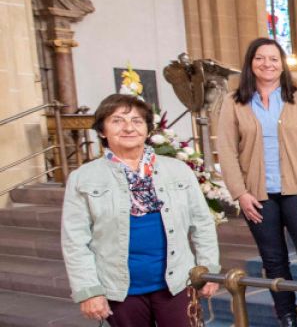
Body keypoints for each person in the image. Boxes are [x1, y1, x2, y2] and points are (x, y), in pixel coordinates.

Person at [61, 94, 220, 326]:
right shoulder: (83, 178)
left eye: (137, 121)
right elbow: (74, 240)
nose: (128, 127)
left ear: (147, 129)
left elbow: (202, 223)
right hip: (121, 289)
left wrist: (208, 270)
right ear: (103, 131)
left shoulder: (177, 170)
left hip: (176, 284)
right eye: (117, 121)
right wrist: (89, 290)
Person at [217, 38, 297, 326]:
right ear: (250, 64)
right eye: (260, 58)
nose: (267, 64)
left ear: (282, 64)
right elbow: (227, 151)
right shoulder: (234, 101)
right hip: (257, 196)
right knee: (274, 262)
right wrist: (240, 193)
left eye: (274, 58)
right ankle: (288, 317)